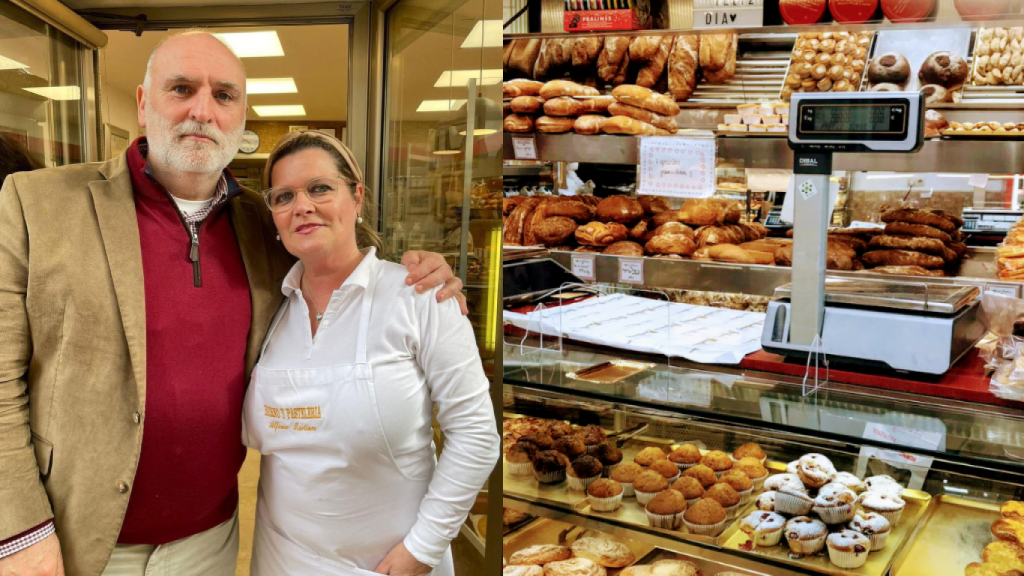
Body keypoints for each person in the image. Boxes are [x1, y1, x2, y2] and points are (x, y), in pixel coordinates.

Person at [0, 30, 465, 576]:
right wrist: (20, 533)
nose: (203, 110)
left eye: (224, 95)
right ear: (146, 101)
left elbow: (341, 264)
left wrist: (421, 271)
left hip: (213, 540)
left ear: (241, 115)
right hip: (74, 539)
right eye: (181, 88)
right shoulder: (38, 204)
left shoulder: (266, 227)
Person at [242, 130, 498, 576]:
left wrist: (423, 548)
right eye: (284, 196)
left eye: (320, 188)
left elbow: (476, 435)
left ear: (357, 197)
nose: (302, 205)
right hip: (282, 559)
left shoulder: (421, 297)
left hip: (391, 564)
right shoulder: (267, 308)